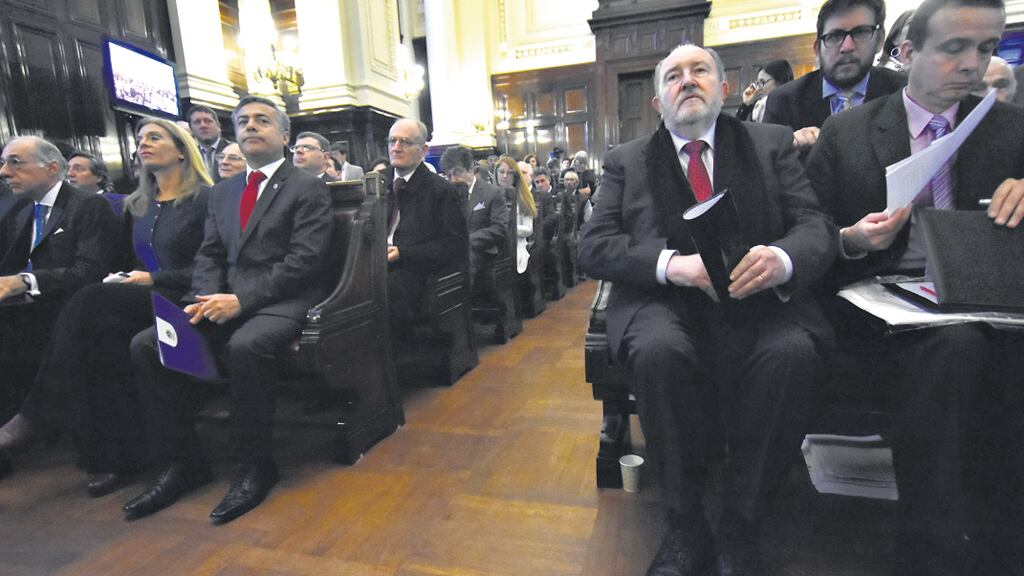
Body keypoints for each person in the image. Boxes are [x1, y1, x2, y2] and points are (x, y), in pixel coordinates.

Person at [578, 44, 837, 576]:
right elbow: (593, 246)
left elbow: (816, 226)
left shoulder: (771, 143)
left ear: (723, 88)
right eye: (673, 76)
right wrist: (675, 265)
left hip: (759, 300)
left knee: (792, 353)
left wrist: (783, 258)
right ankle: (684, 523)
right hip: (664, 301)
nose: (687, 80)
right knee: (657, 351)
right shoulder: (626, 160)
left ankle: (741, 524)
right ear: (658, 102)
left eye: (700, 71)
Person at [805, 0, 1024, 571]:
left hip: (988, 296)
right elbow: (806, 232)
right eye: (955, 48)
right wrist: (853, 238)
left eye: (986, 48)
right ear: (907, 53)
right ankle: (933, 549)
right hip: (879, 303)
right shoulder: (848, 131)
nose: (973, 64)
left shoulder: (1009, 128)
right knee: (956, 347)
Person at [123, 96, 334, 524]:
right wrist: (203, 298)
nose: (250, 127)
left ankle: (256, 465)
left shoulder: (306, 186)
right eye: (242, 121)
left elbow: (304, 260)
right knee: (149, 344)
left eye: (262, 120)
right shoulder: (223, 191)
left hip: (283, 299)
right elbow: (209, 254)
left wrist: (242, 300)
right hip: (221, 298)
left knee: (246, 346)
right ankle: (185, 461)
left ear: (285, 136)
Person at [0, 119, 211, 493]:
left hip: (189, 298)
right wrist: (128, 277)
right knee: (102, 338)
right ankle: (120, 458)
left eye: (155, 137)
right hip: (138, 299)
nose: (143, 143)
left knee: (89, 300)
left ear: (182, 149)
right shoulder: (137, 205)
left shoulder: (208, 200)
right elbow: (121, 262)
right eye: (141, 138)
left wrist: (154, 279)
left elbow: (213, 265)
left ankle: (35, 416)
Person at [0, 137, 119, 425]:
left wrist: (26, 282)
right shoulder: (19, 209)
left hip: (70, 304)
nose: (4, 171)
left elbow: (89, 272)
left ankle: (25, 425)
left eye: (15, 162)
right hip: (23, 305)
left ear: (52, 168)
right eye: (3, 163)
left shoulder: (89, 206)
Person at [763, 0, 905, 151]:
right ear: (817, 49)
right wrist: (788, 147)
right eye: (835, 36)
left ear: (879, 40)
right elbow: (765, 165)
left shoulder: (902, 93)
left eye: (860, 32)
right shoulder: (784, 101)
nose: (847, 47)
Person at [383, 119, 467, 336]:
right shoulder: (377, 184)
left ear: (423, 150)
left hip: (415, 268)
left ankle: (395, 361)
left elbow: (453, 245)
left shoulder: (440, 190)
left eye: (405, 142)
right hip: (373, 263)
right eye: (392, 140)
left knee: (387, 289)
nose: (396, 147)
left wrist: (403, 253)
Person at [439, 145, 508, 287]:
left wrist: (467, 241)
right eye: (448, 175)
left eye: (457, 173)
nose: (453, 179)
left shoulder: (492, 193)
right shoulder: (446, 195)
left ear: (470, 169)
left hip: (481, 250)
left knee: (465, 261)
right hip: (452, 248)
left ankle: (462, 306)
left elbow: (499, 228)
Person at [493, 156, 537, 274]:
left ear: (515, 175)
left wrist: (509, 228)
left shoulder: (523, 198)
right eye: (501, 172)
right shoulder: (488, 196)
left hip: (517, 248)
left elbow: (529, 230)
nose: (505, 176)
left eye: (509, 172)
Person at [67, 151, 126, 215]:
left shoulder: (121, 202)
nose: (69, 174)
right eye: (67, 169)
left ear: (99, 177)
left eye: (78, 169)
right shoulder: (64, 204)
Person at [186, 105, 232, 181]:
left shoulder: (235, 150)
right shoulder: (188, 155)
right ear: (191, 129)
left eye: (208, 121)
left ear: (218, 126)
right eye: (197, 122)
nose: (203, 125)